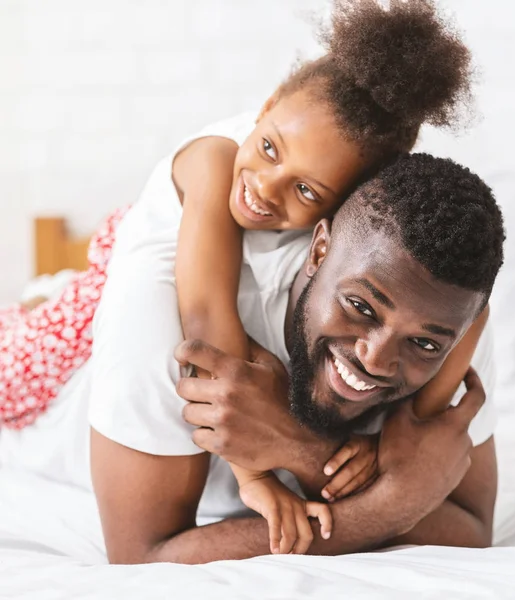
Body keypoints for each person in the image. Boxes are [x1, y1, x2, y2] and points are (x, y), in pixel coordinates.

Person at [0, 0, 483, 553]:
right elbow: (207, 320)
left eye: (306, 190)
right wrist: (256, 475)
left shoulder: (402, 256)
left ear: (343, 206)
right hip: (69, 324)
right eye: (270, 149)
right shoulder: (214, 162)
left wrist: (401, 442)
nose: (266, 188)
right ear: (268, 106)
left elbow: (475, 311)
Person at [89, 151, 505, 564]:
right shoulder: (163, 313)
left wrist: (302, 450)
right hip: (48, 396)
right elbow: (139, 558)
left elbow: (472, 528)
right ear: (319, 250)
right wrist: (389, 507)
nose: (376, 361)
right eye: (360, 307)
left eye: (424, 345)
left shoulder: (445, 320)